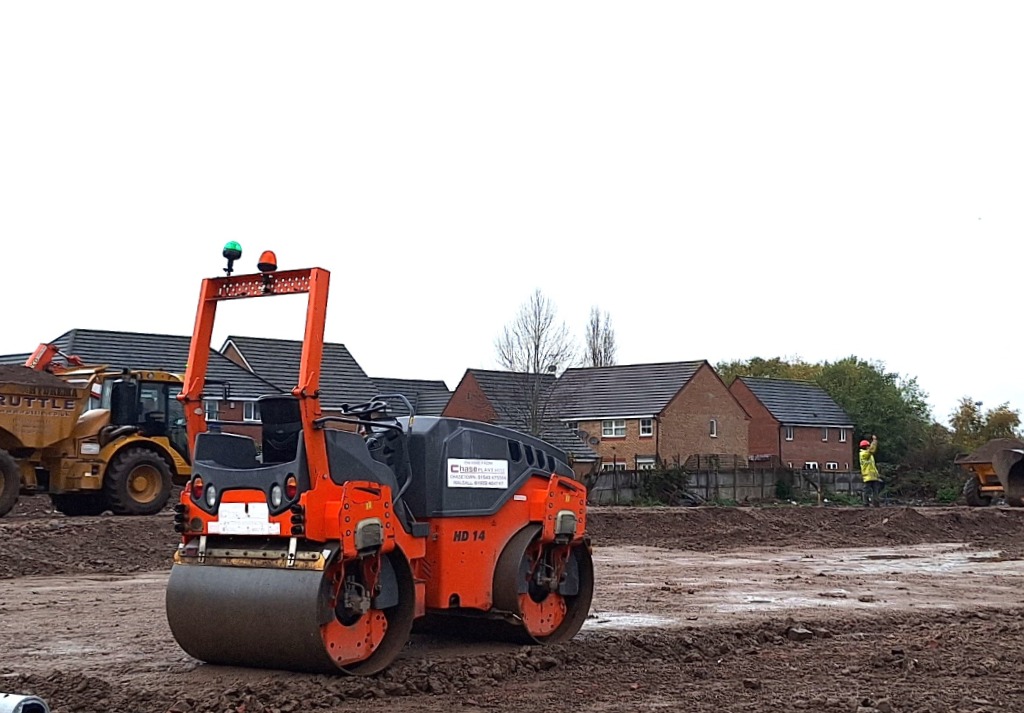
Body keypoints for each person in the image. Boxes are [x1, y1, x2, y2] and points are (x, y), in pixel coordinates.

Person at [859, 435, 881, 507]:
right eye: (868, 446)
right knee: (866, 491)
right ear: (865, 447)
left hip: (873, 476)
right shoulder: (863, 454)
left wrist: (877, 474)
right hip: (868, 476)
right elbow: (871, 450)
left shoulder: (869, 455)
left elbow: (872, 466)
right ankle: (866, 503)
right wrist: (874, 441)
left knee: (875, 490)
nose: (869, 447)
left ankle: (876, 503)